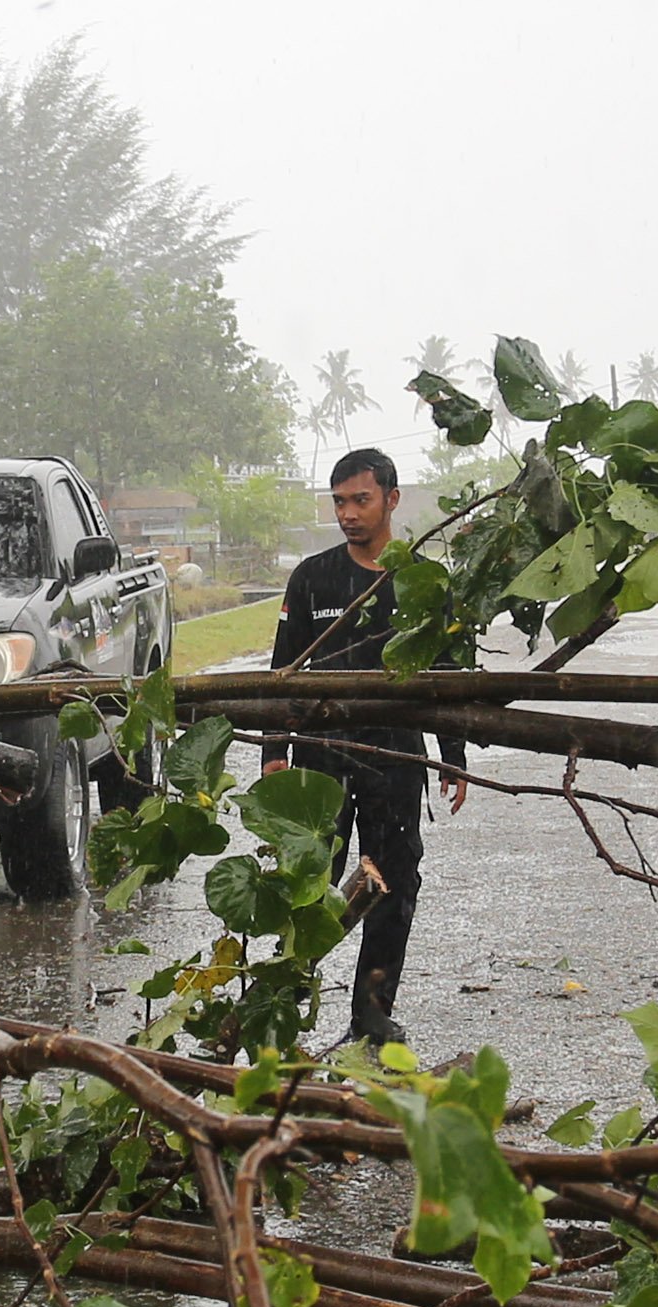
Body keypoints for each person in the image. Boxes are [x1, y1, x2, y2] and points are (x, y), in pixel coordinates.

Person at [268, 446, 470, 1052]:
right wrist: (275, 751)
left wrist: (452, 754)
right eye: (339, 502)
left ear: (392, 499)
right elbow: (284, 672)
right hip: (322, 756)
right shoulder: (312, 578)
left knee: (394, 882)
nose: (349, 514)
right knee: (309, 881)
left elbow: (446, 674)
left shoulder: (420, 581)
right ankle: (281, 1002)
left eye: (361, 499)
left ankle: (372, 1015)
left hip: (395, 756)